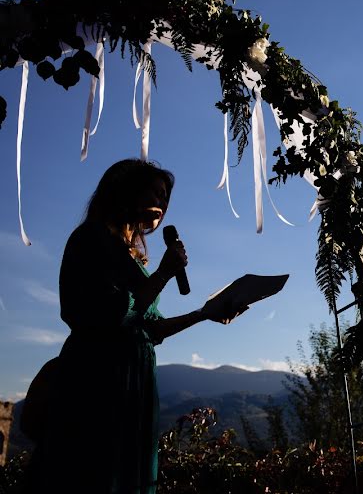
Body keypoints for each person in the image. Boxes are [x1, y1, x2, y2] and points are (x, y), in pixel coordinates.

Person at [27, 159, 247, 494]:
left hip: (137, 385)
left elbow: (152, 329)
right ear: (128, 190)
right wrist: (162, 274)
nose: (162, 201)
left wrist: (205, 313)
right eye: (155, 191)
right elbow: (111, 313)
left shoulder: (132, 259)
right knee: (93, 474)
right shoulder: (91, 239)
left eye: (166, 196)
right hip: (99, 377)